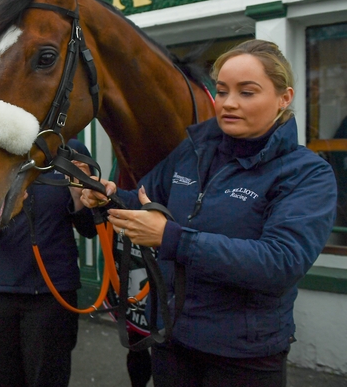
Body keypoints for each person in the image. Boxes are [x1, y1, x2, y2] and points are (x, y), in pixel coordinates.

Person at [80, 39, 337, 387]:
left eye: (247, 92)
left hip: (243, 357)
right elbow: (145, 202)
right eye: (222, 91)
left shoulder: (306, 173)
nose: (229, 103)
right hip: (172, 340)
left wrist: (170, 237)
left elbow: (280, 263)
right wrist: (107, 196)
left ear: (284, 97)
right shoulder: (195, 151)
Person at [0, 139, 96, 387]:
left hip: (53, 293)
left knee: (48, 378)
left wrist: (79, 198)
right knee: (4, 379)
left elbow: (90, 229)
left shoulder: (70, 150)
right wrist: (1, 209)